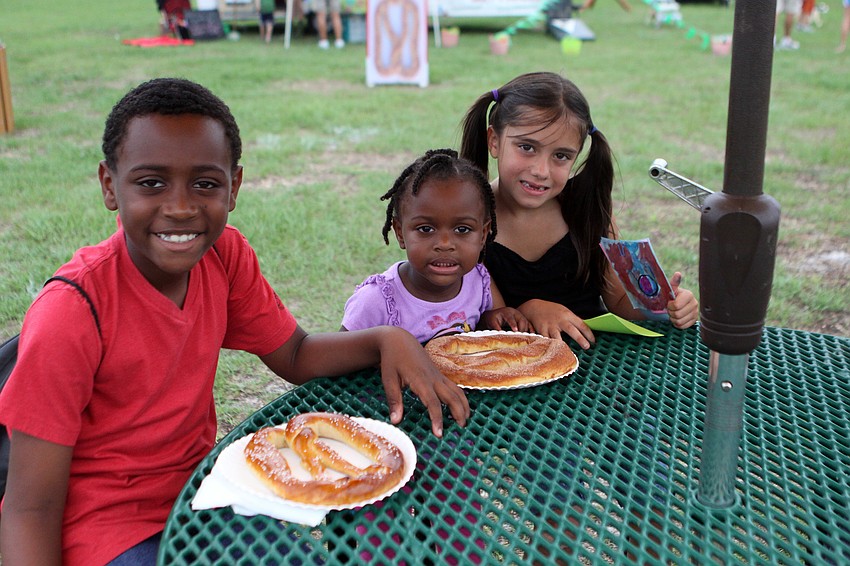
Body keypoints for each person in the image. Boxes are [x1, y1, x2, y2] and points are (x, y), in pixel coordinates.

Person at [0, 78, 469, 566]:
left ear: (235, 186)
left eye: (205, 183)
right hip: (105, 530)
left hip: (207, 493)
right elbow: (30, 509)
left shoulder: (223, 256)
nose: (180, 207)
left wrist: (385, 339)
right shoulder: (72, 313)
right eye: (150, 182)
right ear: (109, 186)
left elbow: (295, 354)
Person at [459, 72, 699, 351]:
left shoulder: (586, 210)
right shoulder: (468, 219)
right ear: (494, 141)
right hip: (514, 367)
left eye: (561, 156)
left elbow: (620, 302)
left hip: (598, 363)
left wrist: (668, 305)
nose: (540, 171)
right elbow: (490, 322)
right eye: (526, 147)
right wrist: (531, 308)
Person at [341, 149, 529, 343]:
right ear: (400, 232)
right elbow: (338, 360)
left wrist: (492, 319)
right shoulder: (376, 301)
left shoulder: (479, 282)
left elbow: (483, 337)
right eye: (425, 229)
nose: (445, 244)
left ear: (483, 234)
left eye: (462, 230)